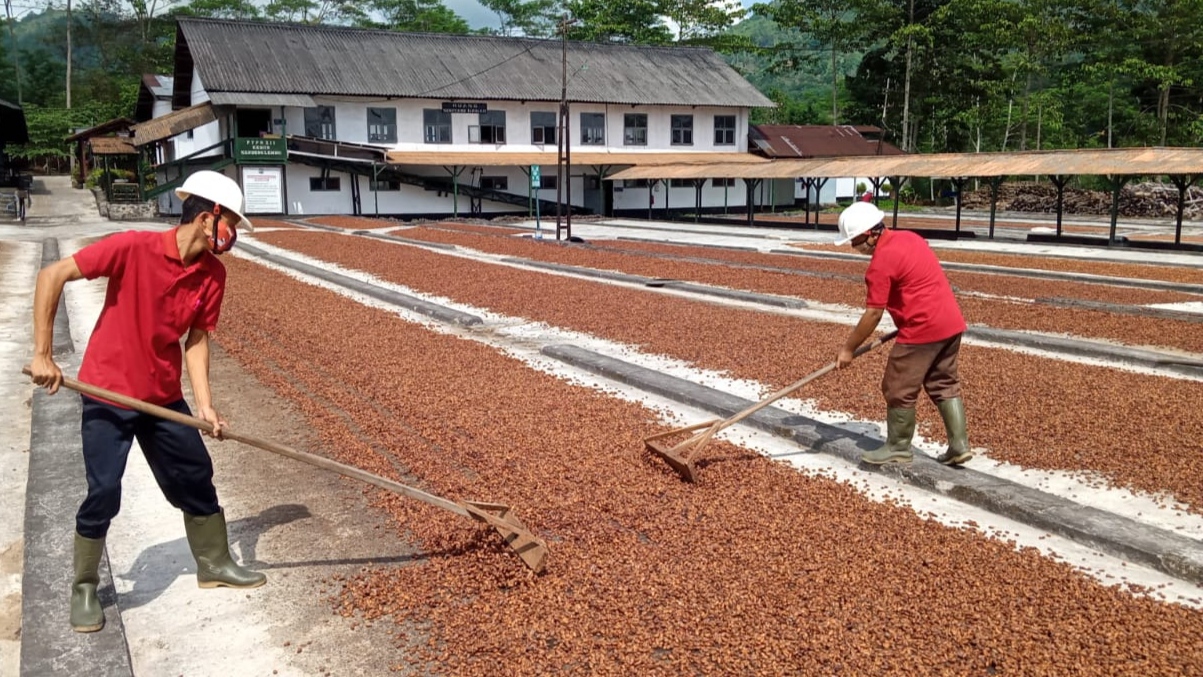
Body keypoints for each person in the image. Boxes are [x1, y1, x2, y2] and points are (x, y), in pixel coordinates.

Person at [28, 170, 263, 634]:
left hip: (162, 395)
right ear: (206, 218)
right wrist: (42, 355)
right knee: (105, 490)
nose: (232, 233)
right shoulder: (132, 247)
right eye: (230, 222)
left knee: (195, 475)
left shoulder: (213, 274)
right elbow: (53, 274)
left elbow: (196, 340)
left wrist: (205, 405)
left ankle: (214, 563)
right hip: (108, 390)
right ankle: (85, 586)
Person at [833, 201, 971, 467]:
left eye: (856, 240)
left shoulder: (880, 264)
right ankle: (959, 445)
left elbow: (873, 314)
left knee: (897, 387)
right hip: (950, 322)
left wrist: (848, 349)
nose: (853, 247)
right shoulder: (910, 238)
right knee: (943, 382)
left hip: (922, 329)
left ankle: (897, 447)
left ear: (872, 233)